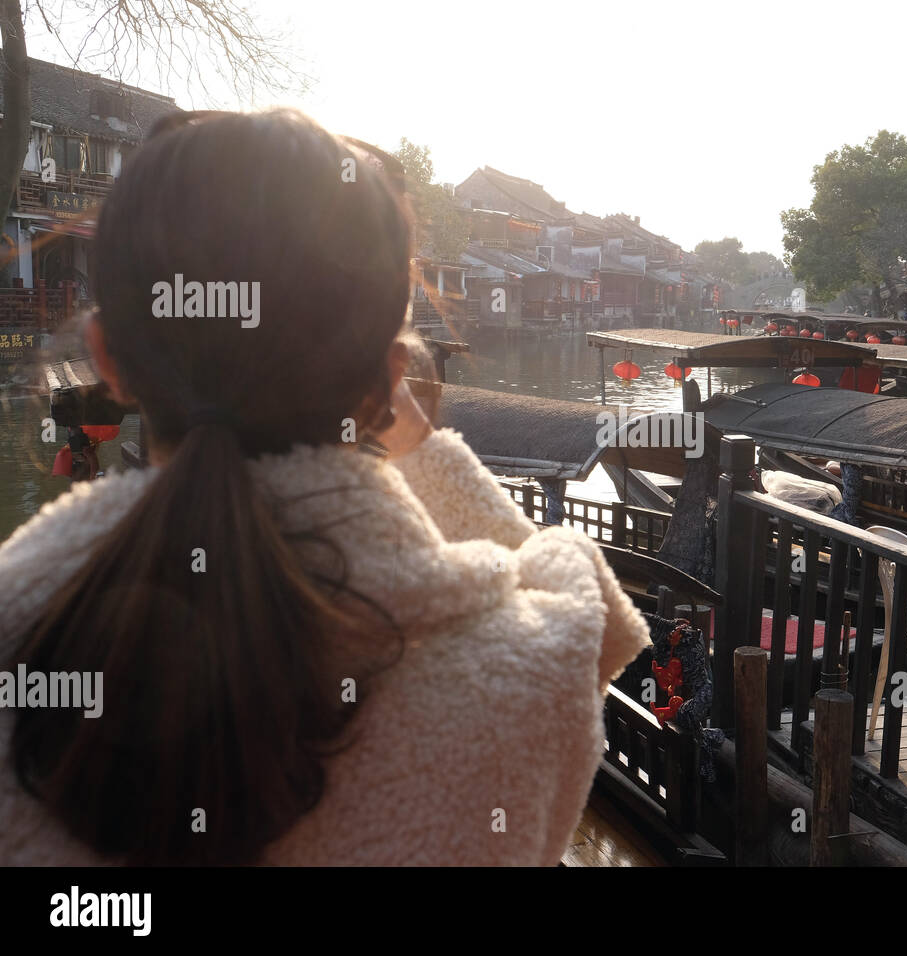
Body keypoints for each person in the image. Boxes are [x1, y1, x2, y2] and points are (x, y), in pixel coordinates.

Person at [0, 110, 649, 865]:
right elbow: (603, 631)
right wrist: (421, 443)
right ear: (390, 382)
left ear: (107, 361)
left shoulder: (23, 632)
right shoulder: (531, 670)